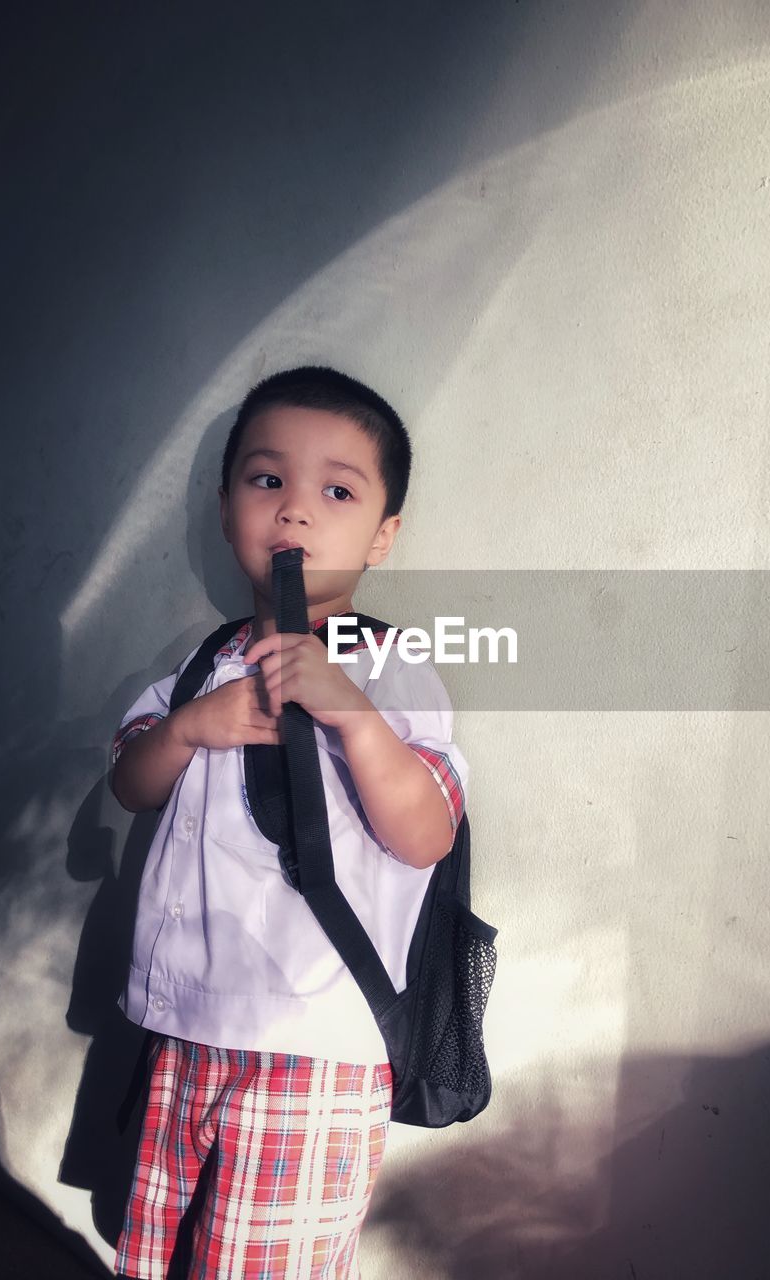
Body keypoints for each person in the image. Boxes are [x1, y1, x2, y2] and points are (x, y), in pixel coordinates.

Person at [110, 366, 468, 1279]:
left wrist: (349, 711)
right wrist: (191, 727)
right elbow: (131, 785)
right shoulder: (201, 664)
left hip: (312, 1046)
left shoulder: (392, 670)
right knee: (158, 1256)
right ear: (229, 504)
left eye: (337, 491)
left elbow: (426, 833)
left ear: (383, 537)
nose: (296, 513)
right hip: (183, 1028)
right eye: (268, 481)